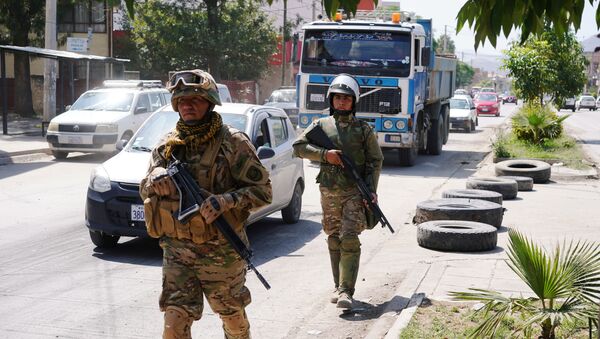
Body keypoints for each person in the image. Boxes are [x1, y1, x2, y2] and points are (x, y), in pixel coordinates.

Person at [140, 69, 272, 339]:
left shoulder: (233, 143)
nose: (187, 105)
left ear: (210, 102)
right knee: (174, 325)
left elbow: (263, 191)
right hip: (178, 252)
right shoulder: (167, 145)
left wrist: (226, 201)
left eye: (195, 99)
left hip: (222, 252)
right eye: (182, 101)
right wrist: (154, 178)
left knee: (233, 322)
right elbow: (144, 186)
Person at [292, 74, 384, 310]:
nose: (342, 102)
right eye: (338, 98)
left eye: (347, 98)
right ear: (331, 99)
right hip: (329, 192)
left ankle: (346, 290)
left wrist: (371, 190)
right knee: (334, 237)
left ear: (354, 101)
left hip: (355, 191)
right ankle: (337, 285)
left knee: (350, 238)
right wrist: (326, 156)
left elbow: (375, 160)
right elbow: (299, 147)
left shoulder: (363, 130)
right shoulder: (321, 125)